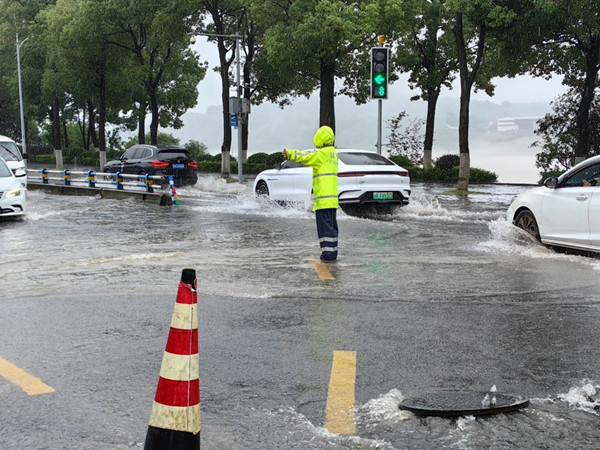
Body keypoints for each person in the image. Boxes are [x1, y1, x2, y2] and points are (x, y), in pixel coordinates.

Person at [282, 126, 339, 261]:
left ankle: (328, 255)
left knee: (325, 229)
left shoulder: (323, 154)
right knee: (331, 228)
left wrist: (289, 153)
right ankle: (332, 253)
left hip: (323, 200)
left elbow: (306, 157)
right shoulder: (332, 153)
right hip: (332, 200)